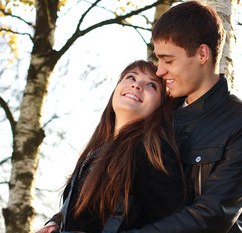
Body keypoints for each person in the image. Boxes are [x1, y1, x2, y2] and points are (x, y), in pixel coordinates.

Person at [123, 1, 242, 233]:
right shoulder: (157, 110)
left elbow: (211, 216)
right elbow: (110, 168)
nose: (159, 71)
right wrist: (61, 220)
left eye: (168, 60)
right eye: (158, 60)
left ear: (202, 54)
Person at [35, 60, 186, 233]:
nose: (137, 85)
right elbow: (84, 216)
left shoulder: (152, 154)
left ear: (161, 106)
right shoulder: (96, 152)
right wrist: (54, 223)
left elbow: (177, 224)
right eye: (131, 77)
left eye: (152, 85)